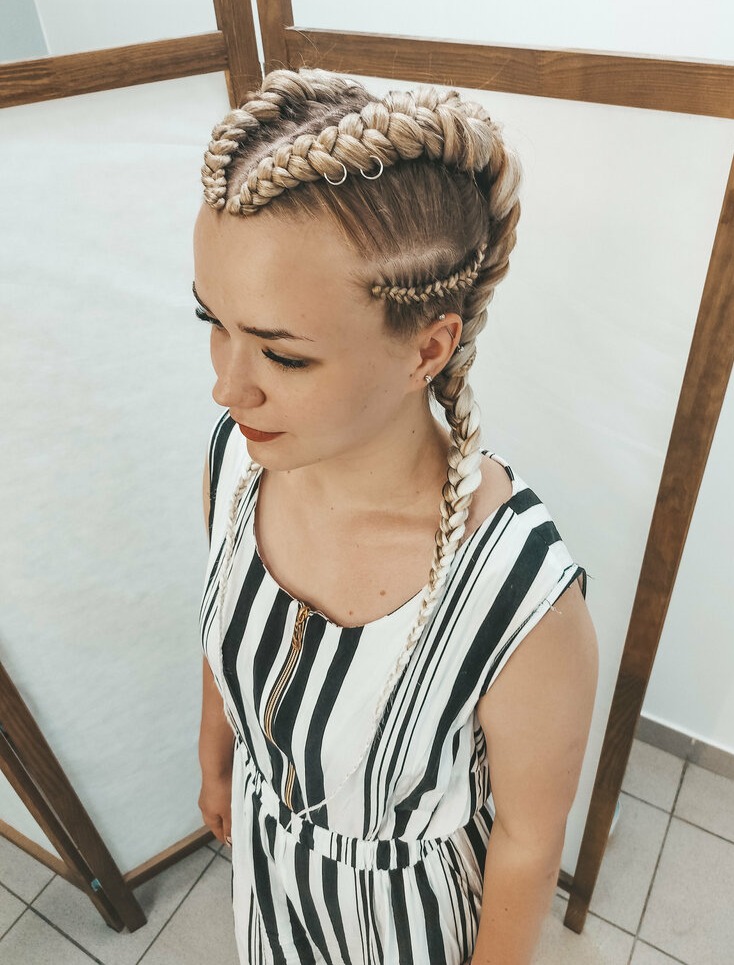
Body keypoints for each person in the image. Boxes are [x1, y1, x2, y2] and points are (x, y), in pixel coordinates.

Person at [195, 67, 599, 965]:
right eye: (212, 319)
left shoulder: (517, 593)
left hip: (406, 928)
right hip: (268, 878)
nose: (227, 385)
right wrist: (216, 755)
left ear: (428, 348)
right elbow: (227, 632)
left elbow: (529, 843)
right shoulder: (237, 461)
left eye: (283, 356)